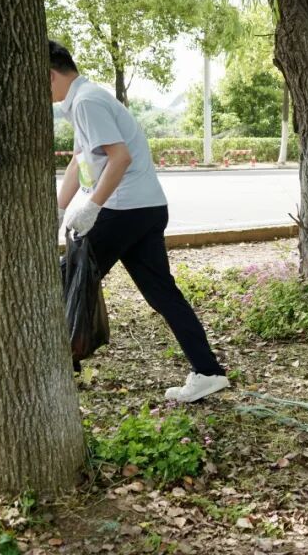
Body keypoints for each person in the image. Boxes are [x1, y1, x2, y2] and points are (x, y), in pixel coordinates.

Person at [50, 40, 229, 403]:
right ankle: (208, 371)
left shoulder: (86, 101)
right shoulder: (84, 99)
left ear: (50, 75)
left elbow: (120, 158)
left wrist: (93, 207)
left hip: (124, 209)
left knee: (64, 278)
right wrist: (58, 207)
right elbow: (81, 158)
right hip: (145, 208)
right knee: (162, 293)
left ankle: (58, 363)